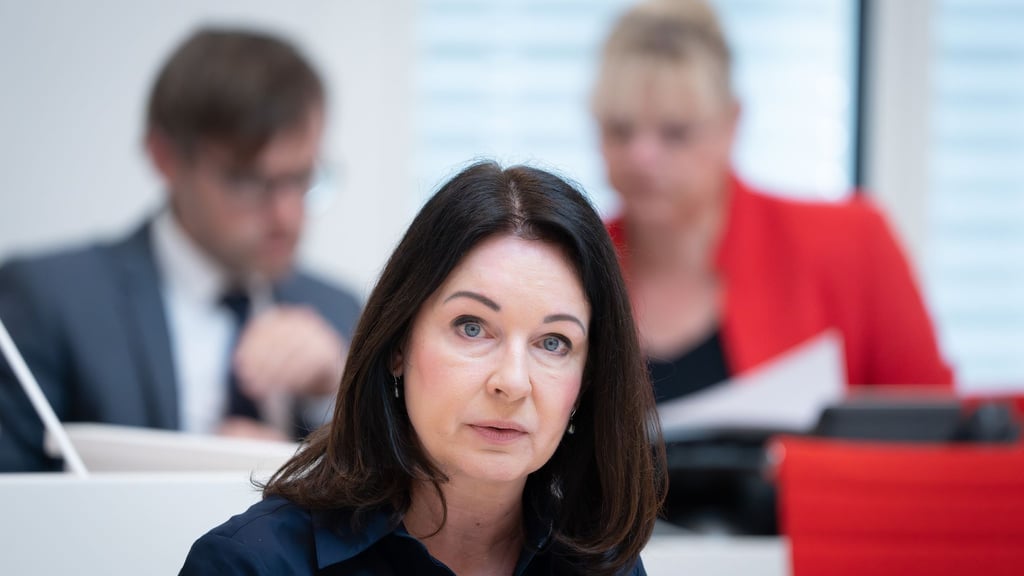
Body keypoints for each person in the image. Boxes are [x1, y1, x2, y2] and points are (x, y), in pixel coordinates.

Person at [178, 161, 667, 575]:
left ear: (586, 382)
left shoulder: (605, 566)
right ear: (397, 345)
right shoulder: (251, 564)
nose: (512, 382)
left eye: (554, 342)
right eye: (472, 327)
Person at [0, 28, 361, 471]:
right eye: (249, 182)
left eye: (303, 178)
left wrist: (333, 400)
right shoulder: (50, 300)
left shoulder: (341, 315)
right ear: (164, 157)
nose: (288, 215)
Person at [591, 0, 953, 405]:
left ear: (732, 124)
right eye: (619, 131)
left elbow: (935, 441)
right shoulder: (575, 264)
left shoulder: (852, 244)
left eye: (675, 133)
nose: (641, 157)